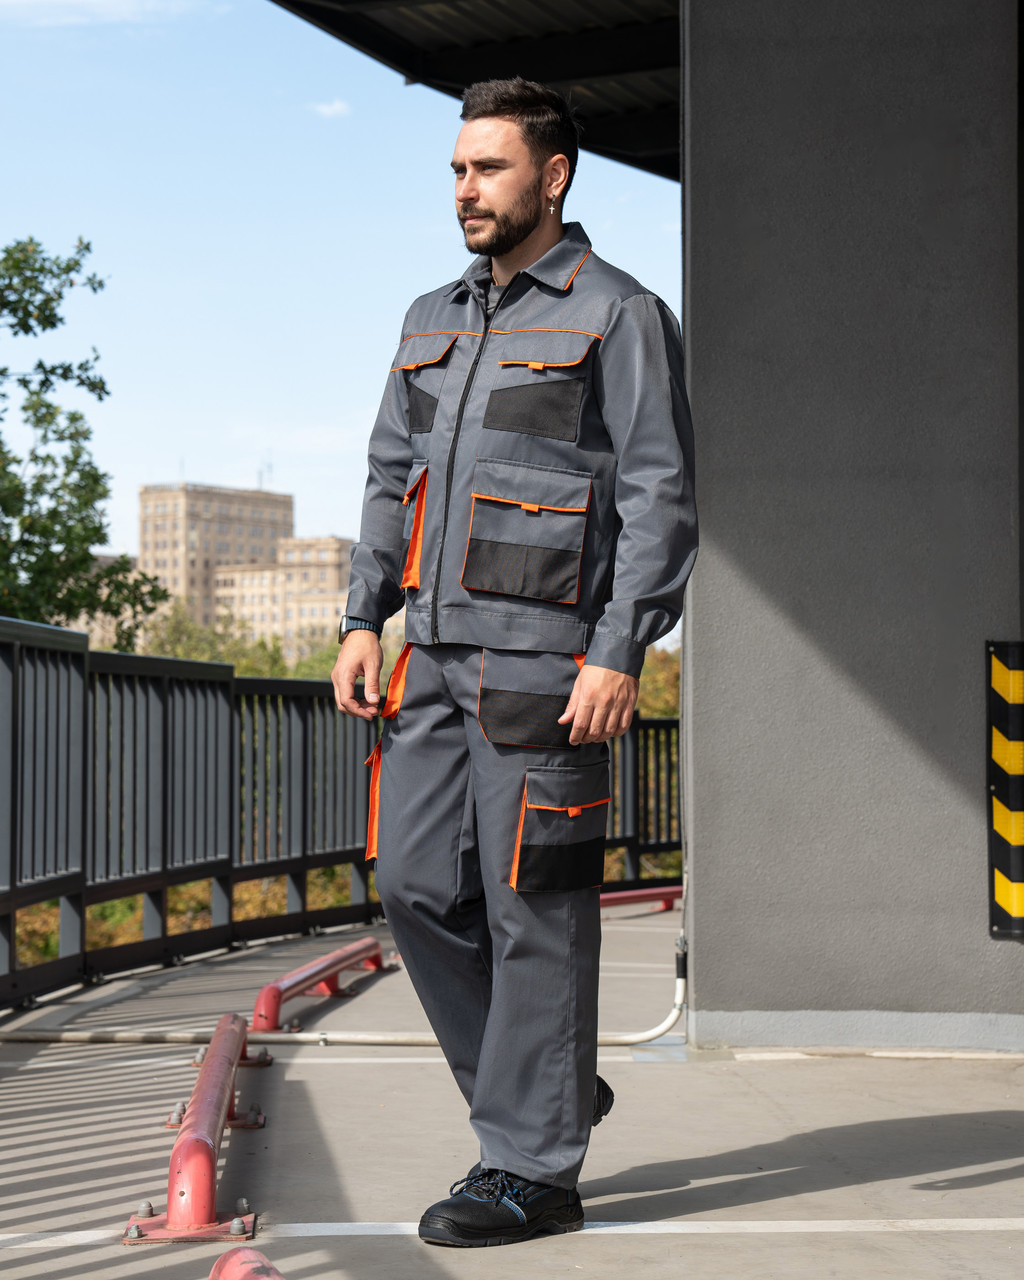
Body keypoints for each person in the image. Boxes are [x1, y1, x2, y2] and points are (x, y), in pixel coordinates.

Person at [332, 76, 697, 1247]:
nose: (465, 189)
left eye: (487, 167)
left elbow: (660, 495)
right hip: (434, 657)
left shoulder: (616, 313)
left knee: (535, 905)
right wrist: (361, 615)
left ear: (553, 175)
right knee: (412, 887)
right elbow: (390, 477)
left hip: (549, 665)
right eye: (456, 168)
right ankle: (545, 1084)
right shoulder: (428, 316)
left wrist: (619, 647)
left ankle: (533, 1168)